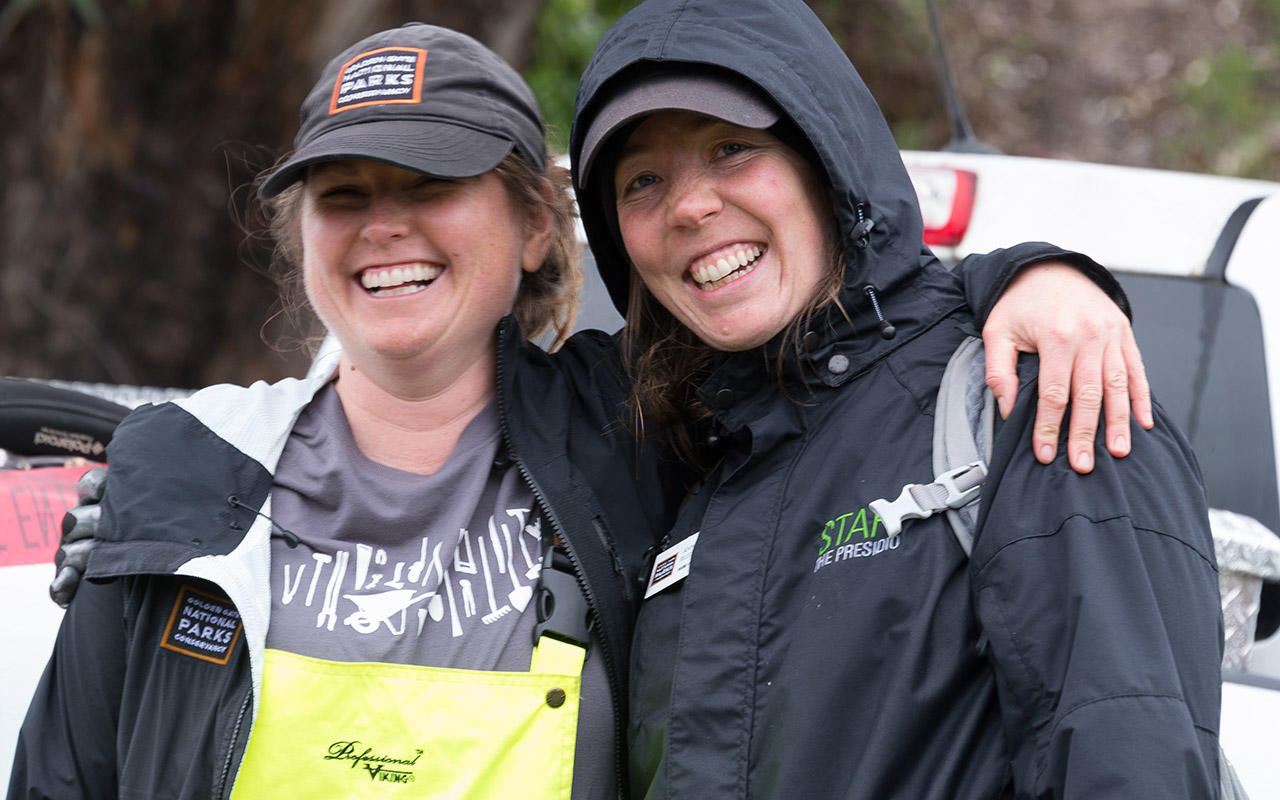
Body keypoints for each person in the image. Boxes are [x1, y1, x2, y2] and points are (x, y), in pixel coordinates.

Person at [13, 18, 1151, 800]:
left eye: (428, 188)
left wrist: (1030, 275)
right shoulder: (187, 465)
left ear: (534, 226)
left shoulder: (644, 432)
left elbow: (848, 340)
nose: (381, 227)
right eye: (343, 195)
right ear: (300, 238)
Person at [568, 0, 1222, 798]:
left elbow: (1128, 763)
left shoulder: (1034, 395)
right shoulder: (689, 471)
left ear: (828, 161)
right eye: (642, 179)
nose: (689, 206)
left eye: (732, 149)